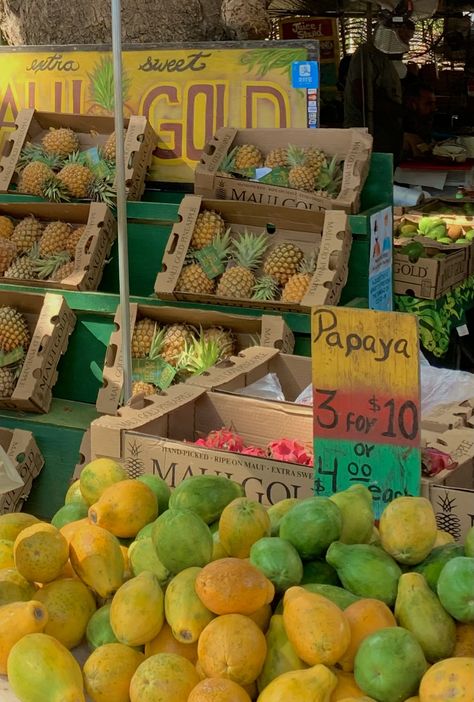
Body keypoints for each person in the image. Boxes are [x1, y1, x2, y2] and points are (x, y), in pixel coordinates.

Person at [344, 18, 413, 164]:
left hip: (387, 129)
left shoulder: (389, 57)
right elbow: (362, 94)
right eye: (404, 36)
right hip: (367, 128)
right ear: (392, 34)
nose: (407, 42)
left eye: (409, 38)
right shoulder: (367, 53)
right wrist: (399, 111)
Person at [402, 82, 436, 159]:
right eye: (428, 104)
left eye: (434, 104)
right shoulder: (403, 136)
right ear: (413, 104)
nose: (434, 109)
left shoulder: (424, 128)